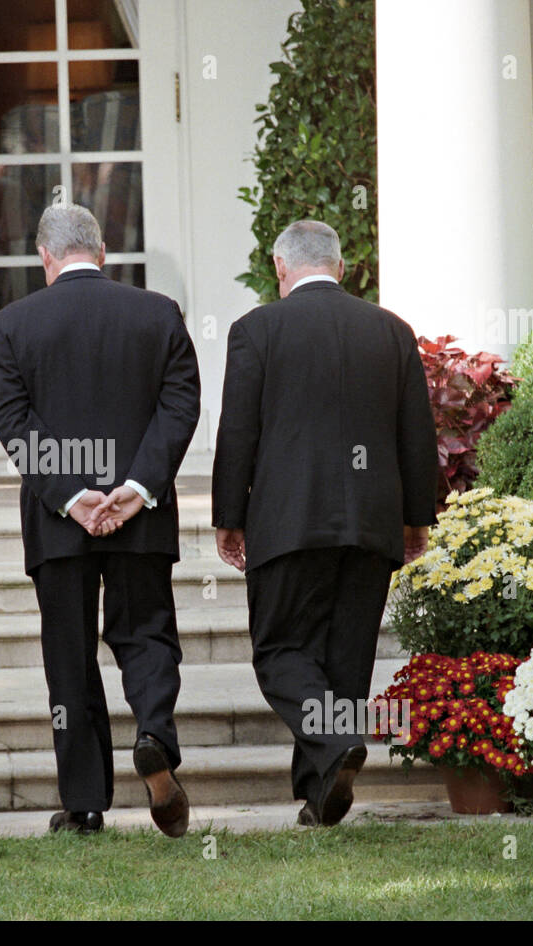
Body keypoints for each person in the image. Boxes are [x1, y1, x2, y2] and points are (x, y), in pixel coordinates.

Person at [212, 220, 437, 827]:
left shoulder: (255, 329)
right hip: (370, 524)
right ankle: (320, 798)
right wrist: (419, 518)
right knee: (344, 661)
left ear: (281, 268)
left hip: (287, 523)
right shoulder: (391, 331)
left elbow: (238, 431)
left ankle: (336, 750)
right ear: (340, 267)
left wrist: (229, 516)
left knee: (281, 650)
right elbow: (417, 434)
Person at [0, 203, 201, 837]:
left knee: (69, 654)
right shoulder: (157, 313)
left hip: (59, 524)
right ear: (102, 250)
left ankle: (84, 803)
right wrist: (136, 486)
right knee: (148, 633)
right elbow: (180, 405)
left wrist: (71, 495)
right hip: (141, 514)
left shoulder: (10, 324)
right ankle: (155, 736)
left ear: (44, 257)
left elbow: (13, 422)